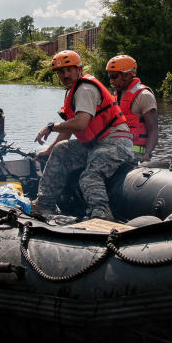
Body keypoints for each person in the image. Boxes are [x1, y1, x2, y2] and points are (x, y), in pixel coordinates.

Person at [33, 50, 134, 219]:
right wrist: (49, 151)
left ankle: (101, 213)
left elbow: (80, 123)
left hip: (116, 144)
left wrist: (51, 127)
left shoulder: (85, 89)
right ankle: (45, 204)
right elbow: (69, 130)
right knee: (61, 149)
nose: (65, 75)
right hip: (96, 144)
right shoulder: (73, 91)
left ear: (78, 69)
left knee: (89, 177)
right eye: (61, 72)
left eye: (69, 70)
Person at [105, 54, 159, 163]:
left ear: (127, 75)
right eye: (110, 77)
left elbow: (153, 129)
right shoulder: (114, 96)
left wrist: (147, 154)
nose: (111, 81)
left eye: (114, 76)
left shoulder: (144, 96)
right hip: (114, 152)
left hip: (135, 156)